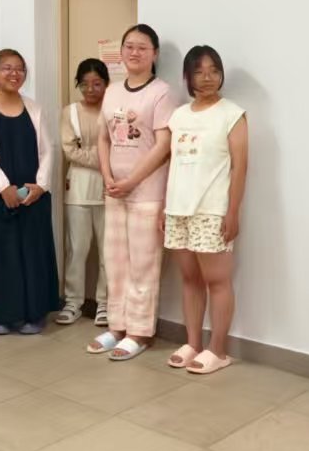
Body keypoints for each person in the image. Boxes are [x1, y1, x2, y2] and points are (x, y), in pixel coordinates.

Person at [88, 24, 174, 361]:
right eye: (129, 46)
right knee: (115, 263)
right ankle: (117, 326)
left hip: (146, 192)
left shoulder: (162, 92)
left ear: (154, 54)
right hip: (115, 191)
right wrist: (108, 175)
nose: (134, 53)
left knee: (143, 265)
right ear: (121, 51)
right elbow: (103, 137)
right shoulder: (111, 91)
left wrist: (131, 181)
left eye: (142, 47)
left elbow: (164, 145)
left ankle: (139, 332)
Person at [163, 46, 248, 375]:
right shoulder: (178, 116)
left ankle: (219, 350)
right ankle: (192, 343)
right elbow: (172, 164)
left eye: (214, 70)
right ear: (187, 77)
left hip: (212, 209)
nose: (207, 77)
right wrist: (166, 207)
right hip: (178, 208)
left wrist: (233, 211)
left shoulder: (232, 114)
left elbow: (240, 167)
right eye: (199, 71)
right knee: (189, 279)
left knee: (217, 280)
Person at [0, 48, 59, 335]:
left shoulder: (34, 108)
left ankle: (35, 314)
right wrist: (3, 187)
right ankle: (5, 316)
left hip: (33, 195)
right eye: (6, 68)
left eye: (19, 68)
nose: (14, 73)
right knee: (3, 255)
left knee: (34, 253)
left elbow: (47, 150)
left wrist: (41, 185)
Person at [56, 58, 111, 327]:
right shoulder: (70, 112)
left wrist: (94, 156)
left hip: (109, 186)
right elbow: (70, 151)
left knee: (108, 250)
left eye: (97, 84)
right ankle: (73, 301)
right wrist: (104, 158)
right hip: (77, 186)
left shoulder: (113, 110)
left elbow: (121, 148)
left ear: (106, 84)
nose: (91, 89)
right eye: (85, 84)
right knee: (76, 248)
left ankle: (105, 303)